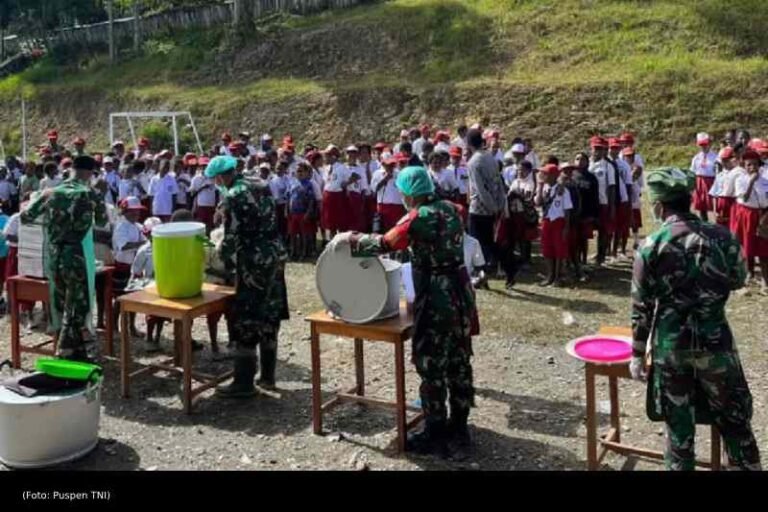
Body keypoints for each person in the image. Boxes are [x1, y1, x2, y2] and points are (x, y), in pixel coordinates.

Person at [630, 167, 761, 471]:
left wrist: (637, 354)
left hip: (671, 347)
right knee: (735, 424)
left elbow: (642, 308)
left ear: (660, 206)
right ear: (689, 200)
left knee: (679, 433)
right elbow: (739, 278)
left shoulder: (651, 245)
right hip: (716, 343)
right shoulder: (723, 236)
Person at [344, 166, 478, 458]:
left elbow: (387, 243)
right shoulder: (453, 208)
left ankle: (435, 432)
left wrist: (353, 240)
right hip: (461, 292)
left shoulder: (417, 217)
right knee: (459, 359)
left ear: (407, 193)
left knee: (432, 364)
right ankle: (460, 427)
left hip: (436, 296)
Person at [206, 156, 289, 397]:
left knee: (248, 317)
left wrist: (215, 261)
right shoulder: (260, 184)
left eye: (215, 180)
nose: (216, 184)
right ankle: (268, 377)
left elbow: (231, 239)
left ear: (221, 177)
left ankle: (243, 383)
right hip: (275, 254)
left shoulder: (234, 196)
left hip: (253, 262)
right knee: (270, 312)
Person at [20, 156, 108, 362]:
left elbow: (26, 217)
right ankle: (66, 352)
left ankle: (74, 349)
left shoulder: (49, 192)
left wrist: (52, 220)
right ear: (88, 173)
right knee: (78, 304)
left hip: (53, 254)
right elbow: (103, 222)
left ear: (71, 170)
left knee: (59, 303)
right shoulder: (91, 194)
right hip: (75, 254)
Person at [466, 128, 508, 274]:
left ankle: (480, 271)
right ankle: (503, 265)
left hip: (479, 207)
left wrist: (491, 207)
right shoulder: (490, 157)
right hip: (493, 205)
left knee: (476, 241)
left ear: (468, 143)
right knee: (489, 240)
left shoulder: (473, 162)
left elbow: (479, 189)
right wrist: (499, 204)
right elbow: (498, 182)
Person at [112, 196, 148, 336]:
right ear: (125, 212)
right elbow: (124, 246)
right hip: (123, 266)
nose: (136, 213)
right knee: (120, 298)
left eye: (137, 211)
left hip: (135, 266)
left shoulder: (137, 226)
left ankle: (131, 327)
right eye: (133, 211)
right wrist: (142, 244)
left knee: (134, 297)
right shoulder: (121, 226)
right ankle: (115, 326)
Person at [733, 150, 768, 292]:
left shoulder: (765, 181)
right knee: (748, 245)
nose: (751, 167)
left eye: (754, 164)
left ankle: (765, 281)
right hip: (747, 214)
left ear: (759, 165)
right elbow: (744, 198)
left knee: (764, 248)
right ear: (744, 166)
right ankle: (749, 273)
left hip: (764, 216)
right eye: (748, 165)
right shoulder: (740, 180)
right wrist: (751, 181)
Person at [535, 164, 573, 286]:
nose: (543, 176)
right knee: (547, 249)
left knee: (559, 250)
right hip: (546, 221)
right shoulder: (544, 188)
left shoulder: (563, 190)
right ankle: (549, 274)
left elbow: (567, 210)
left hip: (558, 221)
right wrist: (540, 186)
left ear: (553, 175)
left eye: (546, 174)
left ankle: (557, 276)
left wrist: (566, 227)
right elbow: (538, 202)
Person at [130, 217, 164, 350]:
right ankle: (149, 338)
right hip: (150, 284)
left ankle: (158, 337)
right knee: (152, 314)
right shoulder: (144, 250)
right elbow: (136, 271)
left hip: (164, 283)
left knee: (162, 314)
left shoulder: (166, 247)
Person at [589, 136, 617, 265]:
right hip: (588, 203)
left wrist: (611, 207)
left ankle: (601, 256)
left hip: (602, 202)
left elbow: (611, 187)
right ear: (591, 148)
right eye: (596, 148)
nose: (598, 151)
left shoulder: (608, 166)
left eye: (601, 149)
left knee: (603, 231)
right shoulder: (587, 163)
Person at [287, 162, 318, 259]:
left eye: (301, 171)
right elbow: (288, 197)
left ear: (305, 172)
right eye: (298, 171)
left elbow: (311, 200)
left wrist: (308, 212)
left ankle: (303, 252)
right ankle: (293, 252)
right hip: (293, 213)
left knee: (304, 234)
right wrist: (286, 210)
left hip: (303, 213)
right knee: (292, 234)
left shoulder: (308, 184)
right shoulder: (292, 183)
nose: (299, 173)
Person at [370, 155, 405, 233]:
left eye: (392, 164)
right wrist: (385, 179)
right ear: (383, 164)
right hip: (383, 207)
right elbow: (373, 189)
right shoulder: (377, 174)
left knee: (396, 232)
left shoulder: (399, 173)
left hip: (398, 207)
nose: (390, 166)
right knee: (384, 232)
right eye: (388, 164)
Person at [691, 132, 718, 221]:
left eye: (705, 144)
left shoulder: (715, 157)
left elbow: (717, 172)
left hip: (710, 182)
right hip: (699, 182)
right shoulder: (696, 158)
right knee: (701, 205)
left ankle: (714, 223)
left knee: (711, 205)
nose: (703, 147)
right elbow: (692, 171)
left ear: (709, 144)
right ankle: (703, 221)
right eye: (701, 145)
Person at [189, 156, 217, 234]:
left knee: (210, 225)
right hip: (201, 205)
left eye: (207, 166)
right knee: (201, 225)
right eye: (203, 166)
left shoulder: (214, 178)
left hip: (211, 205)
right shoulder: (196, 178)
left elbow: (217, 192)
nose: (205, 167)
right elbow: (192, 194)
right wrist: (202, 187)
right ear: (200, 167)